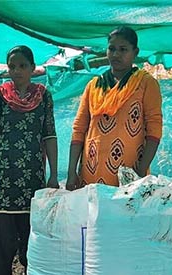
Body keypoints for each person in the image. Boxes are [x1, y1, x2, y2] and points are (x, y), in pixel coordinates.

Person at [0, 45, 58, 275]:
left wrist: (54, 175)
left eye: (22, 65)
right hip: (2, 179)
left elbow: (49, 135)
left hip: (33, 177)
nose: (17, 71)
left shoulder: (43, 96)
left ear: (33, 67)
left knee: (32, 236)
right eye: (12, 66)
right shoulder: (0, 95)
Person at [66, 26, 162, 189]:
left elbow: (154, 130)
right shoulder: (94, 86)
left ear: (135, 52)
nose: (116, 54)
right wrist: (71, 173)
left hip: (129, 177)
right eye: (112, 49)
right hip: (90, 175)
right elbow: (79, 129)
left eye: (123, 49)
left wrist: (139, 173)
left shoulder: (146, 84)